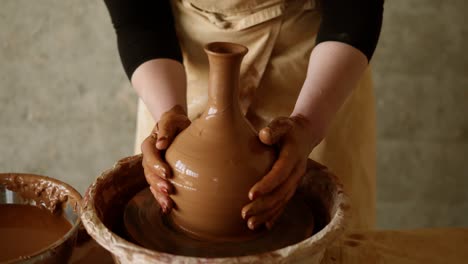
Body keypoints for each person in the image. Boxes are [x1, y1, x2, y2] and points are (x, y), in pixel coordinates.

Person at [104, 0, 383, 230]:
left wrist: (309, 123)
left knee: (325, 230)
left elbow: (355, 8)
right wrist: (169, 110)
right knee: (168, 184)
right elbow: (140, 19)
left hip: (319, 70)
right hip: (175, 73)